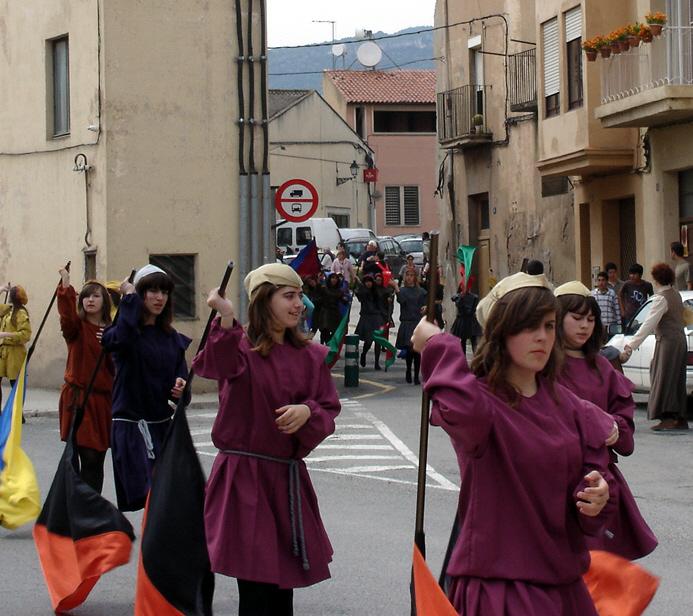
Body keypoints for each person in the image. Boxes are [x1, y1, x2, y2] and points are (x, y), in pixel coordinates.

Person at [412, 272, 615, 616]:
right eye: (528, 326)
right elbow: (462, 408)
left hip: (564, 586)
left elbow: (583, 485)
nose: (542, 337)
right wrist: (439, 344)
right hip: (502, 590)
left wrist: (596, 496)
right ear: (501, 331)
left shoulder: (565, 405)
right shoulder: (481, 402)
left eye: (549, 326)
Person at [192, 263, 340, 616]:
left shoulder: (310, 356)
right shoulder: (240, 349)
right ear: (263, 301)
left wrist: (308, 412)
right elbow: (215, 364)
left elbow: (327, 408)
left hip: (285, 482)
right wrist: (226, 318)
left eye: (300, 296)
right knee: (257, 588)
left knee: (282, 588)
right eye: (288, 296)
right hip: (244, 480)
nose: (299, 304)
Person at [555, 281, 657, 560]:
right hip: (554, 476)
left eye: (590, 319)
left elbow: (624, 429)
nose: (584, 326)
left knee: (601, 572)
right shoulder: (544, 367)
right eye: (576, 318)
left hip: (599, 476)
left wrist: (616, 430)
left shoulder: (602, 367)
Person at [101, 264, 191, 511]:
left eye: (164, 292)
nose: (159, 297)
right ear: (140, 295)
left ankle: (155, 548)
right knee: (149, 494)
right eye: (151, 291)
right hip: (131, 429)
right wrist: (128, 300)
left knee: (164, 500)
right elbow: (121, 338)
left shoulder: (172, 339)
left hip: (162, 430)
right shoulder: (123, 333)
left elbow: (182, 383)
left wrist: (182, 388)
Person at [56, 268, 114, 493]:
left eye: (96, 295)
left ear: (104, 302)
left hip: (102, 401)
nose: (90, 299)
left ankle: (91, 511)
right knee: (84, 457)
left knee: (97, 460)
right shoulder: (76, 329)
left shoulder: (113, 331)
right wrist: (65, 287)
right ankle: (77, 510)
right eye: (86, 296)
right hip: (79, 399)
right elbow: (67, 317)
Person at [621, 263, 688, 431]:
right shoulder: (676, 295)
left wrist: (631, 344)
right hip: (679, 340)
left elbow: (648, 324)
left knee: (664, 376)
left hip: (668, 342)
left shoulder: (661, 298)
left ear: (657, 279)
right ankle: (679, 417)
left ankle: (668, 417)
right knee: (676, 378)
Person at [0, 284, 31, 409]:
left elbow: (25, 334)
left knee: (16, 384)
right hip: (3, 351)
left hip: (15, 352)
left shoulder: (21, 313)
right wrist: (1, 290)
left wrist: (5, 334)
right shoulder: (8, 310)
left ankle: (17, 412)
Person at [393, 269, 426, 384]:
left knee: (417, 351)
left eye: (412, 275)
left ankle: (416, 375)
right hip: (407, 323)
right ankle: (408, 370)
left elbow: (425, 303)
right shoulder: (403, 291)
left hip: (417, 322)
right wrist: (396, 288)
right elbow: (401, 300)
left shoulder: (421, 291)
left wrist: (425, 307)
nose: (410, 277)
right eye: (408, 275)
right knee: (409, 350)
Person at [354, 275, 386, 370]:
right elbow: (359, 295)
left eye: (370, 281)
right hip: (366, 317)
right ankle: (364, 353)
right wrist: (358, 284)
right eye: (366, 281)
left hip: (377, 317)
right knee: (368, 340)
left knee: (378, 340)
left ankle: (377, 362)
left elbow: (382, 303)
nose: (369, 283)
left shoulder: (377, 292)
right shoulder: (363, 292)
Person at [314, 273, 348, 344]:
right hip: (325, 311)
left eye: (336, 278)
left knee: (335, 330)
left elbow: (343, 301)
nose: (334, 280)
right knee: (324, 329)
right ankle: (323, 345)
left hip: (335, 312)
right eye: (332, 278)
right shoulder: (324, 288)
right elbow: (317, 294)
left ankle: (329, 345)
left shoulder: (339, 291)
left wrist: (347, 300)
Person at [450, 282, 482, 354]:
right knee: (462, 341)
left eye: (467, 286)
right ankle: (463, 359)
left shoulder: (474, 297)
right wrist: (461, 297)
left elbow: (471, 310)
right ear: (461, 287)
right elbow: (458, 305)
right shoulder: (457, 297)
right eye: (464, 286)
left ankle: (476, 358)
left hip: (471, 321)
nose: (466, 288)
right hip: (462, 321)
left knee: (474, 341)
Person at [591, 271, 621, 339]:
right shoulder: (593, 294)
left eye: (603, 280)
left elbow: (617, 310)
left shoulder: (612, 293)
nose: (601, 283)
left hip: (611, 326)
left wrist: (619, 325)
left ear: (607, 281)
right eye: (599, 280)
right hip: (598, 325)